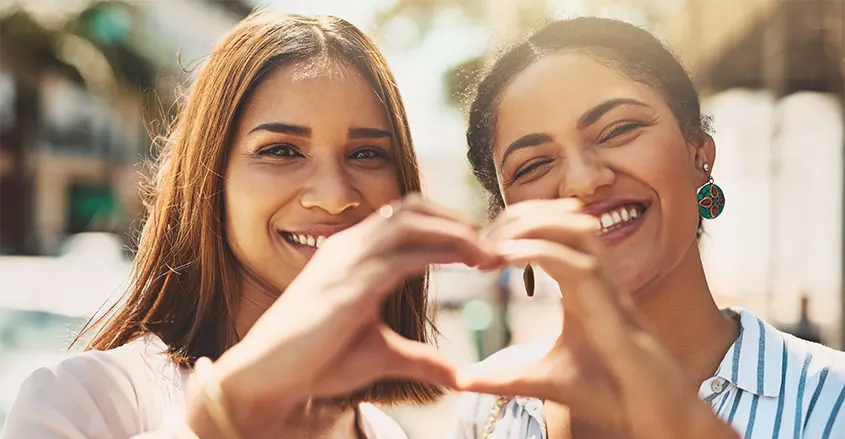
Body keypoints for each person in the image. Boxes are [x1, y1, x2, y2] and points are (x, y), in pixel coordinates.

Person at [3, 9, 496, 439]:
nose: (333, 195)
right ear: (210, 177)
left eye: (366, 153)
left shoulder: (385, 432)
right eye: (281, 150)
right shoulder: (80, 402)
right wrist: (222, 418)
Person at [450, 17, 845, 439]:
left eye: (619, 130)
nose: (583, 182)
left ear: (699, 157)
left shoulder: (829, 400)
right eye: (534, 165)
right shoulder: (490, 409)